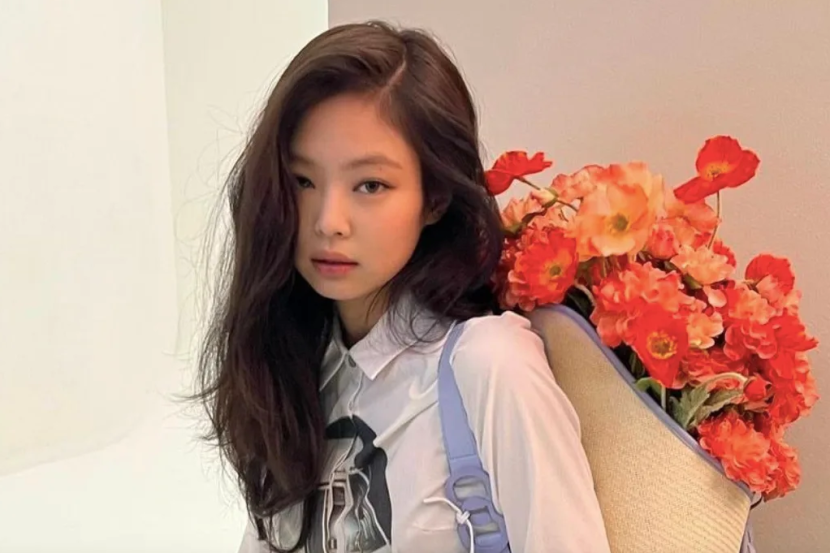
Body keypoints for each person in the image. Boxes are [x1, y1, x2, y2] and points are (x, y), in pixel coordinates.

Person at [194, 20, 611, 553]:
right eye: (303, 181)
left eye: (370, 184)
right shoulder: (293, 375)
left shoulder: (488, 367)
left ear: (434, 197)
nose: (328, 221)